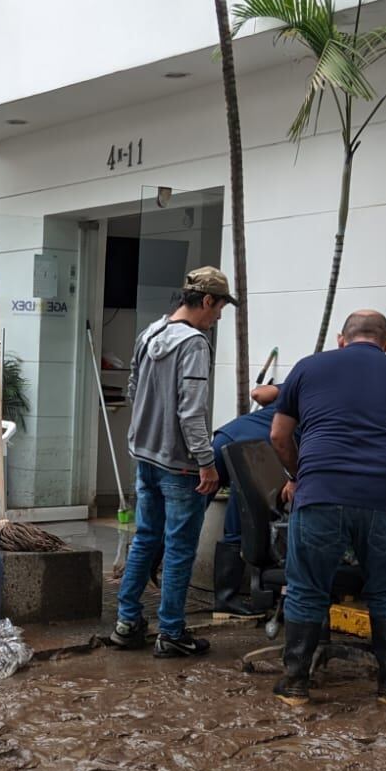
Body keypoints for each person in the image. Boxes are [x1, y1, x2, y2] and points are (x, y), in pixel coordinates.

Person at [268, 310, 386, 704]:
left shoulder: (308, 369)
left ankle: (296, 685)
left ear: (342, 338)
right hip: (385, 499)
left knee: (307, 587)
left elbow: (278, 435)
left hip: (321, 492)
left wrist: (298, 472)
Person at [107, 267, 233, 657]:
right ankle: (172, 632)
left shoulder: (151, 333)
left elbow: (132, 390)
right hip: (180, 465)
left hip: (144, 456)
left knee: (146, 540)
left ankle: (127, 623)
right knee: (178, 548)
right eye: (220, 308)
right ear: (206, 301)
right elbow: (192, 413)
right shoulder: (194, 344)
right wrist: (206, 462)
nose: (219, 318)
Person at [209, 382, 280, 616]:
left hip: (227, 436)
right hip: (255, 452)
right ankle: (226, 598)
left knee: (190, 512)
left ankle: (152, 568)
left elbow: (258, 393)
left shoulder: (296, 386)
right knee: (239, 523)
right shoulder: (321, 402)